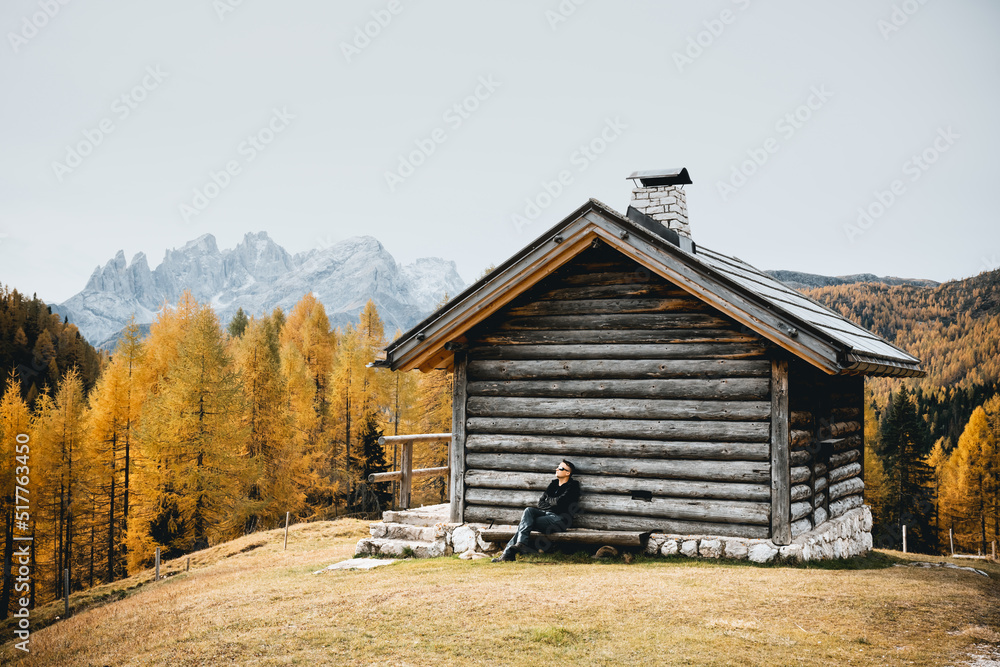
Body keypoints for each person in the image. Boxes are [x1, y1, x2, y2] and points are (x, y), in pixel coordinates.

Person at [492, 459, 581, 562]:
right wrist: (553, 502)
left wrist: (550, 501)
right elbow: (541, 503)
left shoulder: (573, 486)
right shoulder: (553, 484)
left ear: (567, 473)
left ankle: (508, 554)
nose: (557, 469)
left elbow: (561, 504)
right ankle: (520, 544)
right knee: (528, 511)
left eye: (560, 468)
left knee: (524, 524)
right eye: (557, 467)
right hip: (546, 516)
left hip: (559, 520)